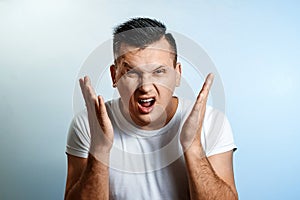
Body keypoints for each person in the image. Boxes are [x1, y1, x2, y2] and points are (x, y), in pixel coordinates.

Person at [64, 17, 238, 200]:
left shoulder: (211, 122)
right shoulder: (88, 124)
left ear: (177, 74)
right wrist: (99, 150)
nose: (145, 87)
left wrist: (193, 147)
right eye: (131, 72)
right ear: (114, 76)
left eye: (159, 72)